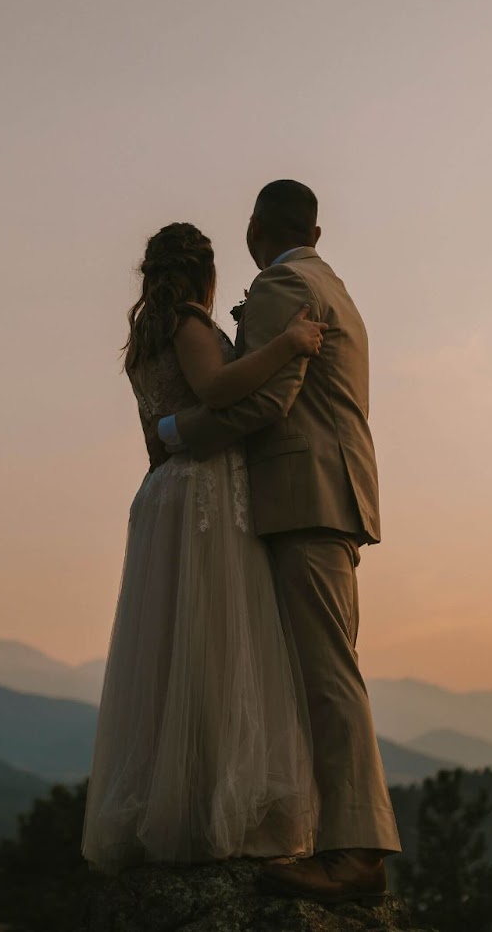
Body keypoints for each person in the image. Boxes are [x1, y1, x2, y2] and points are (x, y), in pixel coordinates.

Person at [157, 179, 402, 901]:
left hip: (305, 495)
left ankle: (357, 854)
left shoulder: (281, 285)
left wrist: (175, 434)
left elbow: (266, 400)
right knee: (323, 671)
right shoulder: (330, 282)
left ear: (254, 231)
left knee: (328, 676)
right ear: (316, 233)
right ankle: (335, 840)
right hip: (336, 494)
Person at [80, 220, 326, 873]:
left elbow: (156, 434)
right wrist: (291, 344)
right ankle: (210, 803)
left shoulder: (144, 342)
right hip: (204, 498)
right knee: (217, 639)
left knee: (171, 647)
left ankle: (177, 795)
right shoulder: (189, 325)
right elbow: (219, 390)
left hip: (162, 491)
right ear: (203, 273)